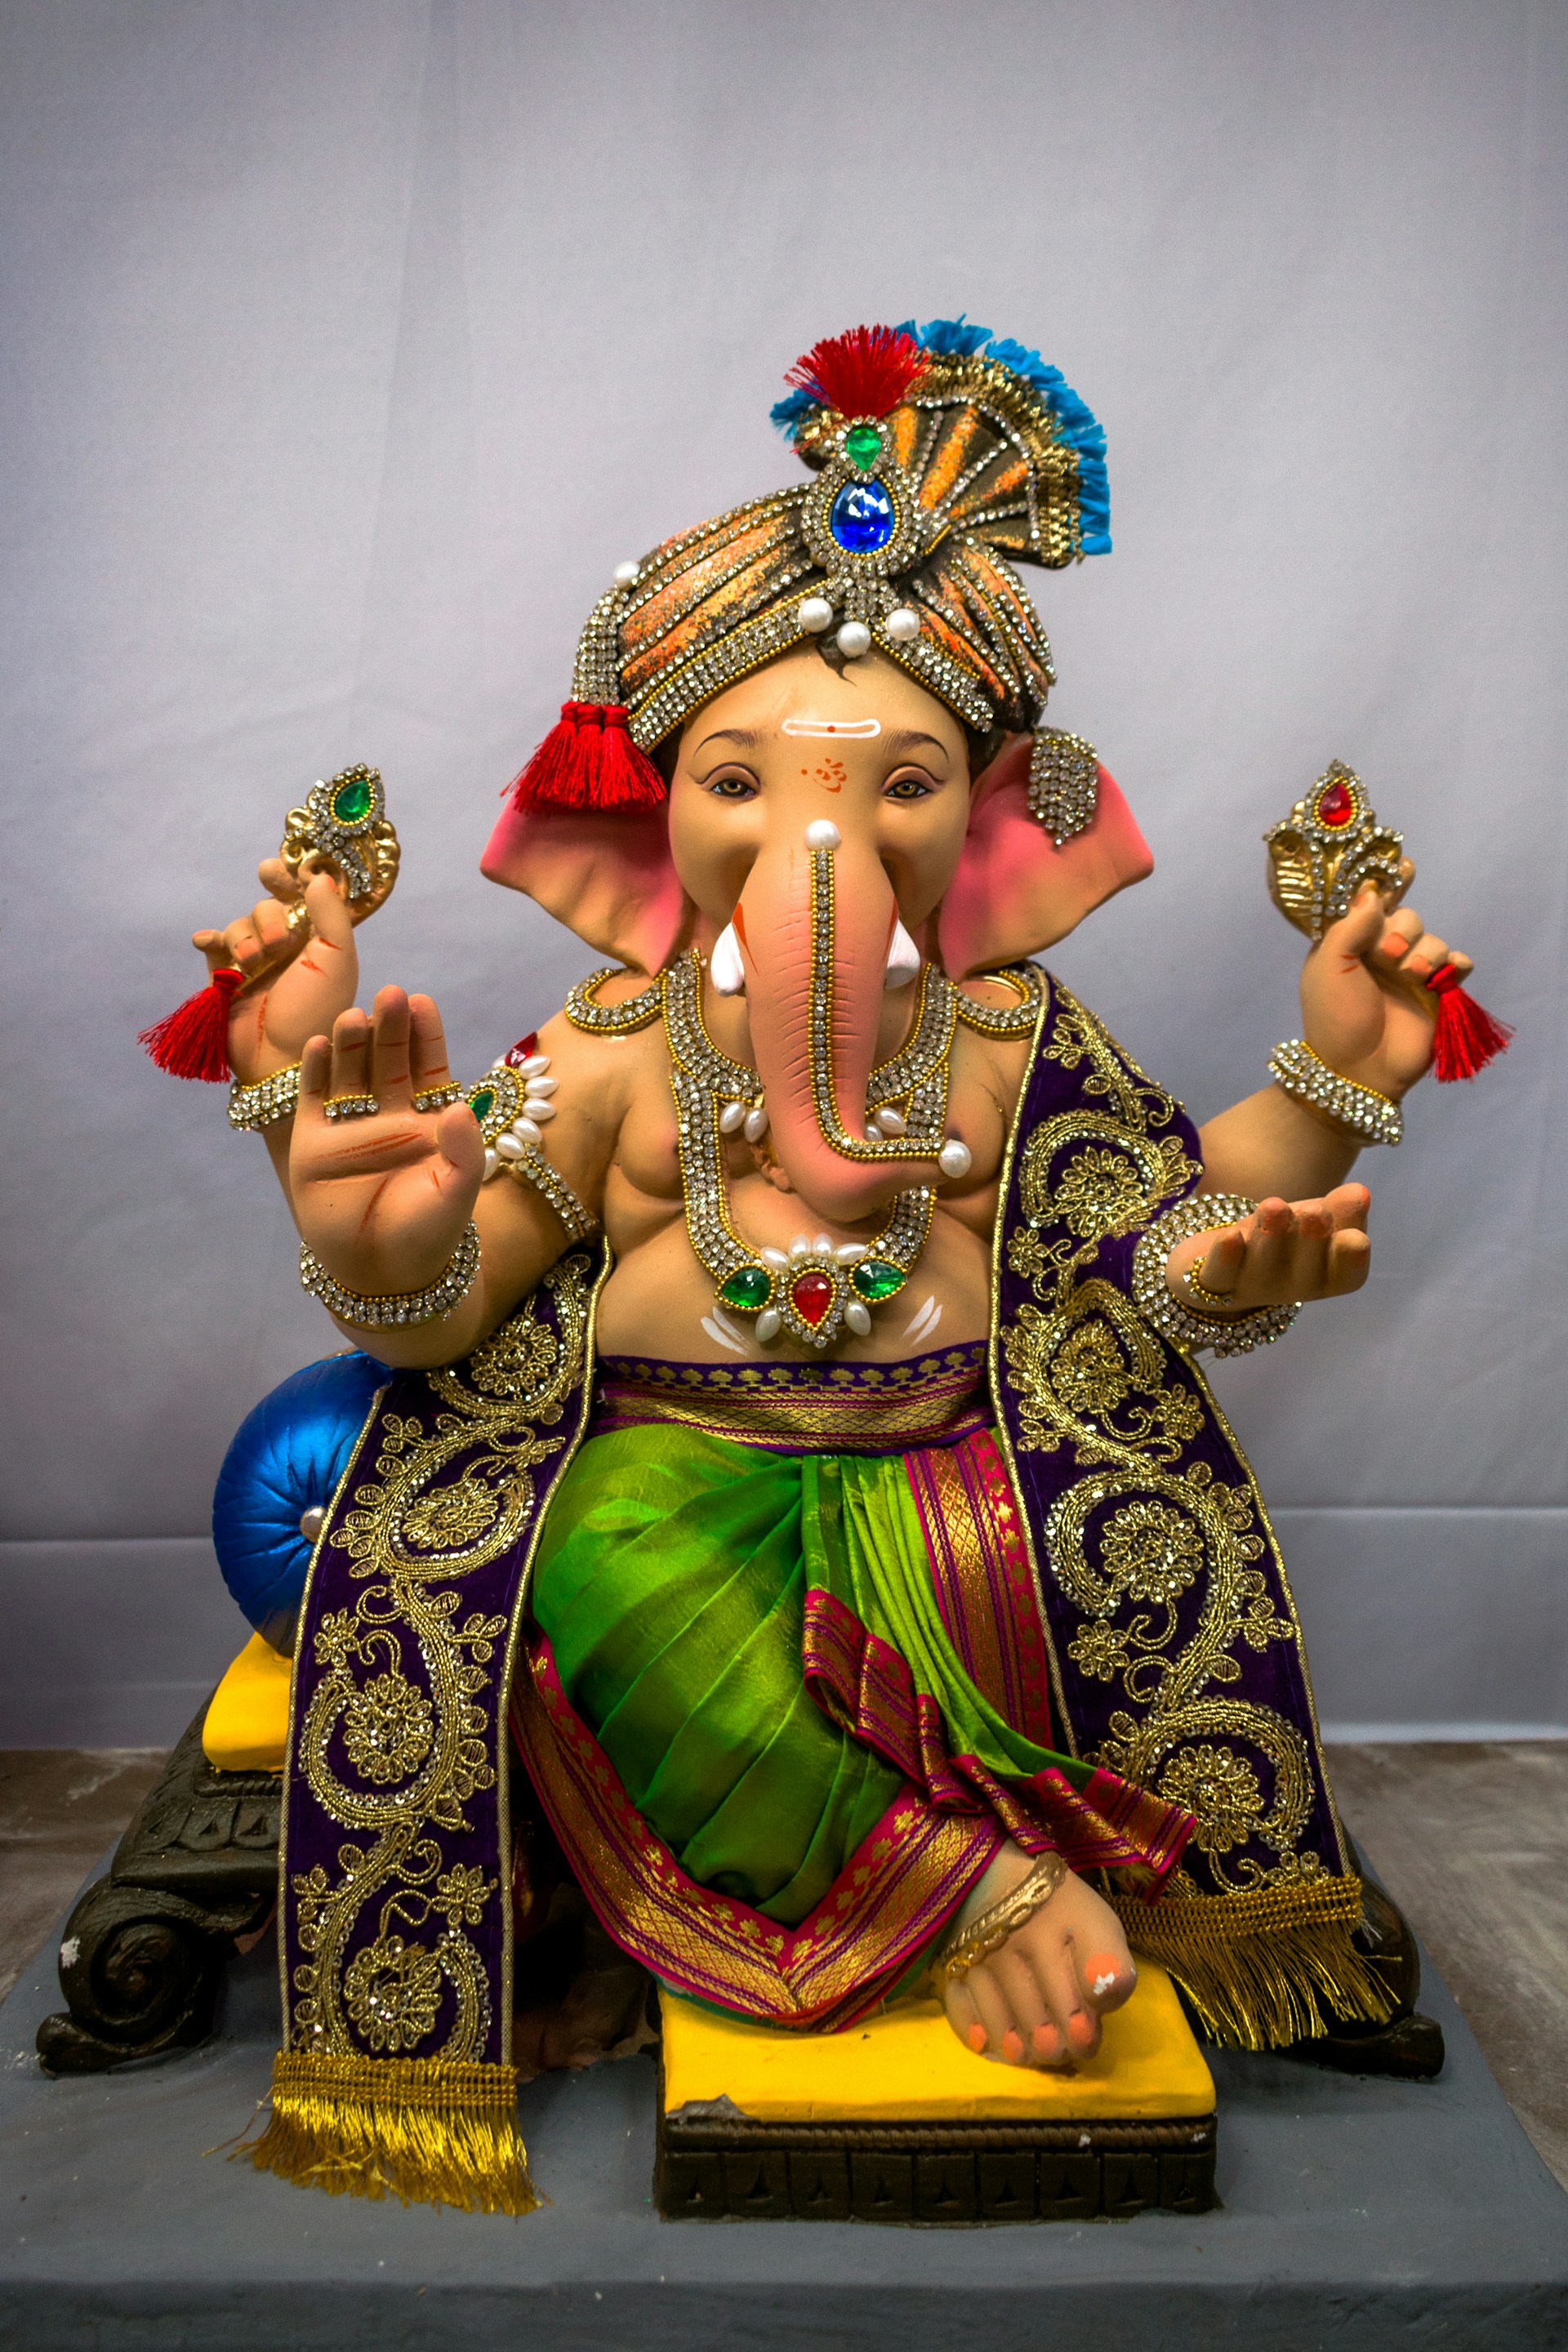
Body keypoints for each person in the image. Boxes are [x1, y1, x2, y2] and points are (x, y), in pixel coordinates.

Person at [185, 321, 1477, 2206]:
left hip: (950, 1470)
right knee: (604, 1562)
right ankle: (968, 1888)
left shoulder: (1006, 1036)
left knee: (1085, 1542)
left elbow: (1168, 1234)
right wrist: (367, 1248)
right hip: (668, 1470)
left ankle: (968, 1854)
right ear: (639, 814)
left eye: (902, 783)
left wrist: (1326, 1117)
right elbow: (448, 1306)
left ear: (998, 817)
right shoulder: (622, 1043)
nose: (824, 836)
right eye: (743, 780)